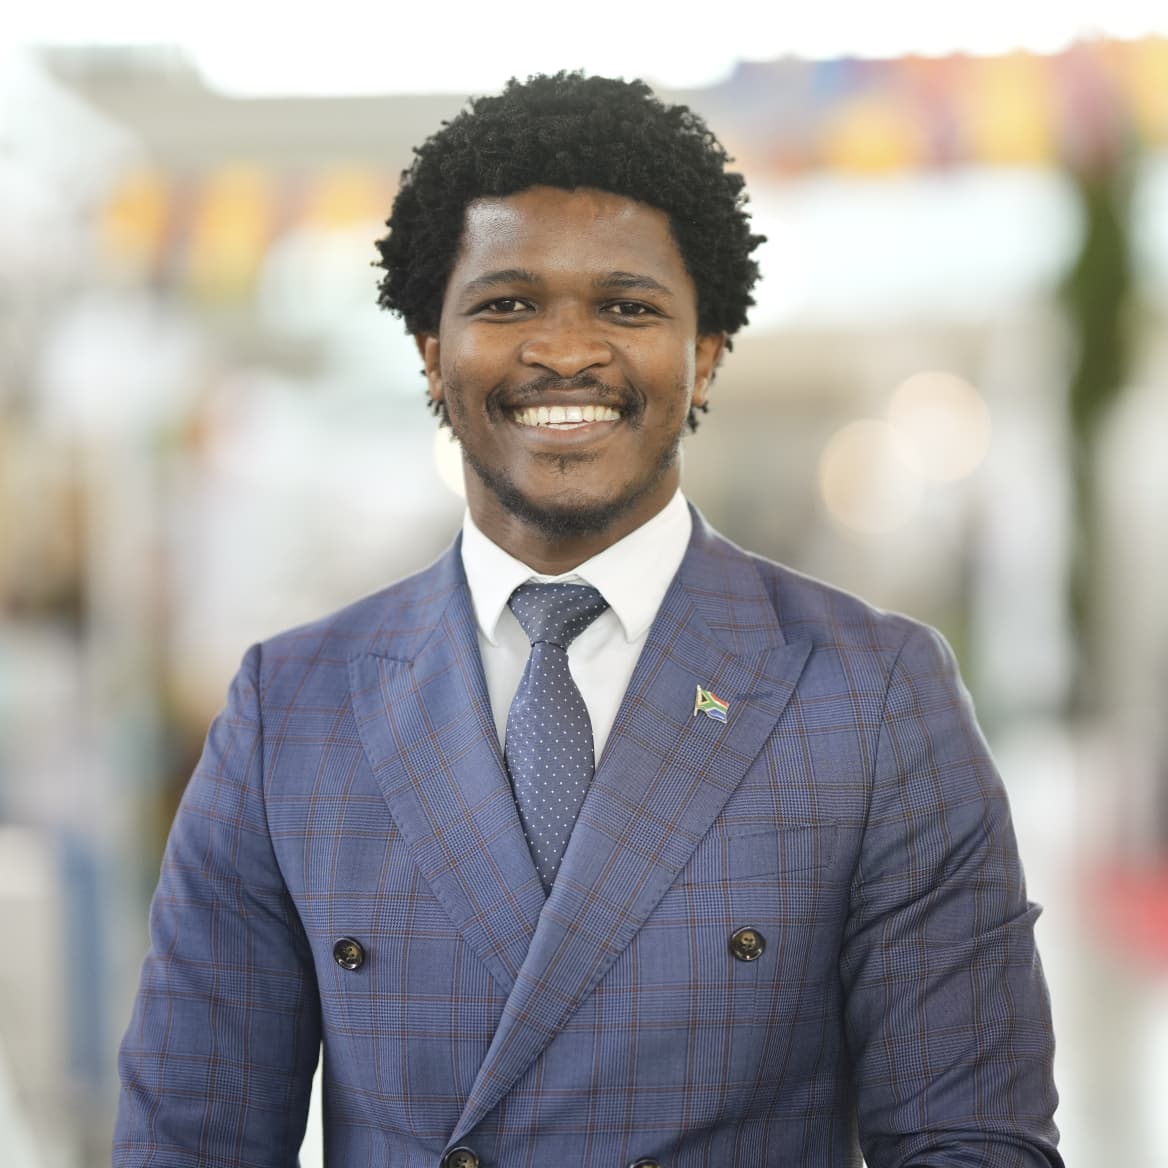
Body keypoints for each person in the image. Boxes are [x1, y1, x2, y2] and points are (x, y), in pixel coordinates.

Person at [114, 72, 1062, 1167]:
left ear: (704, 353)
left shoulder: (873, 696)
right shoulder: (292, 712)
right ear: (431, 350)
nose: (566, 351)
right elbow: (189, 1143)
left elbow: (971, 1141)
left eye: (627, 306)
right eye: (506, 304)